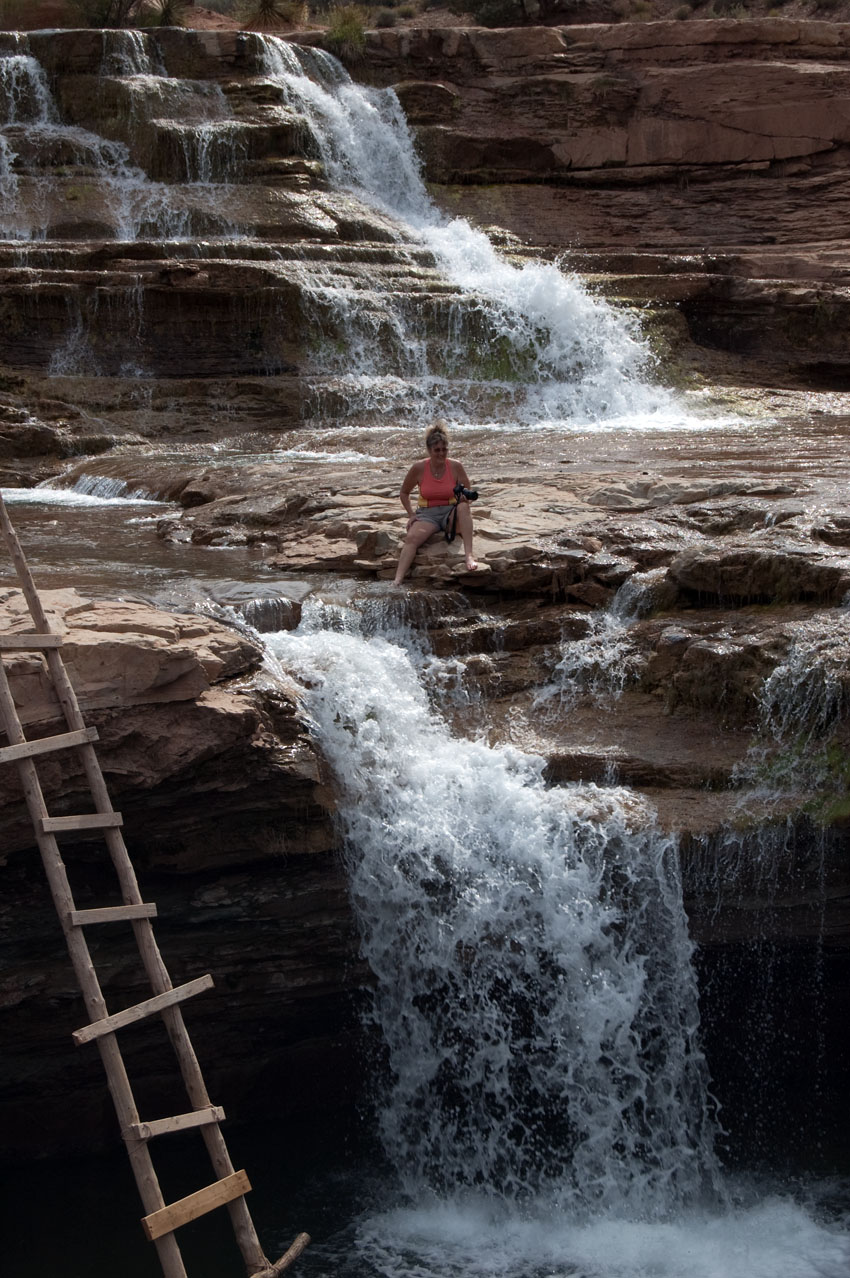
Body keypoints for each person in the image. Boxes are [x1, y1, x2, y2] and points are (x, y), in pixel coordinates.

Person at [393, 422, 478, 587]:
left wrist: (465, 499)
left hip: (450, 513)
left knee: (464, 507)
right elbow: (404, 493)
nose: (441, 453)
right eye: (437, 450)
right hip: (427, 514)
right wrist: (411, 515)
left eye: (444, 449)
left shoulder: (455, 466)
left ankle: (469, 555)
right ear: (429, 450)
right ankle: (397, 579)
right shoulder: (418, 468)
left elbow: (468, 492)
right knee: (411, 538)